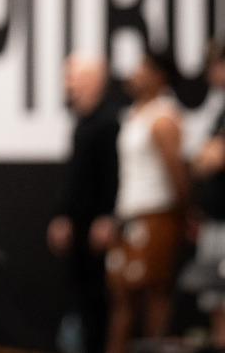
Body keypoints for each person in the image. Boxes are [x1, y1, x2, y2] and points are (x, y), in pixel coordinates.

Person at [93, 47, 188, 353]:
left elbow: (178, 175)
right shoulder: (134, 114)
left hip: (156, 217)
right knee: (121, 297)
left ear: (160, 75)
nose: (134, 72)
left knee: (154, 296)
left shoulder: (164, 118)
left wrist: (185, 215)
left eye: (142, 66)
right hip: (128, 217)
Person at [46, 53, 119, 353]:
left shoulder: (109, 123)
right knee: (81, 299)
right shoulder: (81, 123)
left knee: (99, 301)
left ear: (93, 80)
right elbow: (75, 179)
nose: (67, 84)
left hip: (97, 228)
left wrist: (108, 216)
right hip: (78, 226)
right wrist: (62, 215)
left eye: (71, 77)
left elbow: (113, 175)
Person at [187, 38, 225, 346]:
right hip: (215, 220)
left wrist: (208, 156)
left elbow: (212, 158)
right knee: (215, 301)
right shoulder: (219, 112)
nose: (210, 72)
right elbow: (200, 161)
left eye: (215, 64)